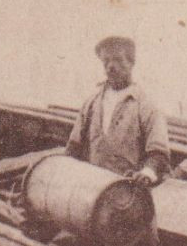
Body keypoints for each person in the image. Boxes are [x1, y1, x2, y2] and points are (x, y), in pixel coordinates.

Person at [65, 36, 170, 186]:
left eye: (118, 60)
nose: (111, 66)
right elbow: (73, 146)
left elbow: (159, 152)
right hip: (90, 187)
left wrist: (147, 173)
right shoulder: (91, 103)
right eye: (106, 61)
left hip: (127, 189)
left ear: (131, 63)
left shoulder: (146, 105)